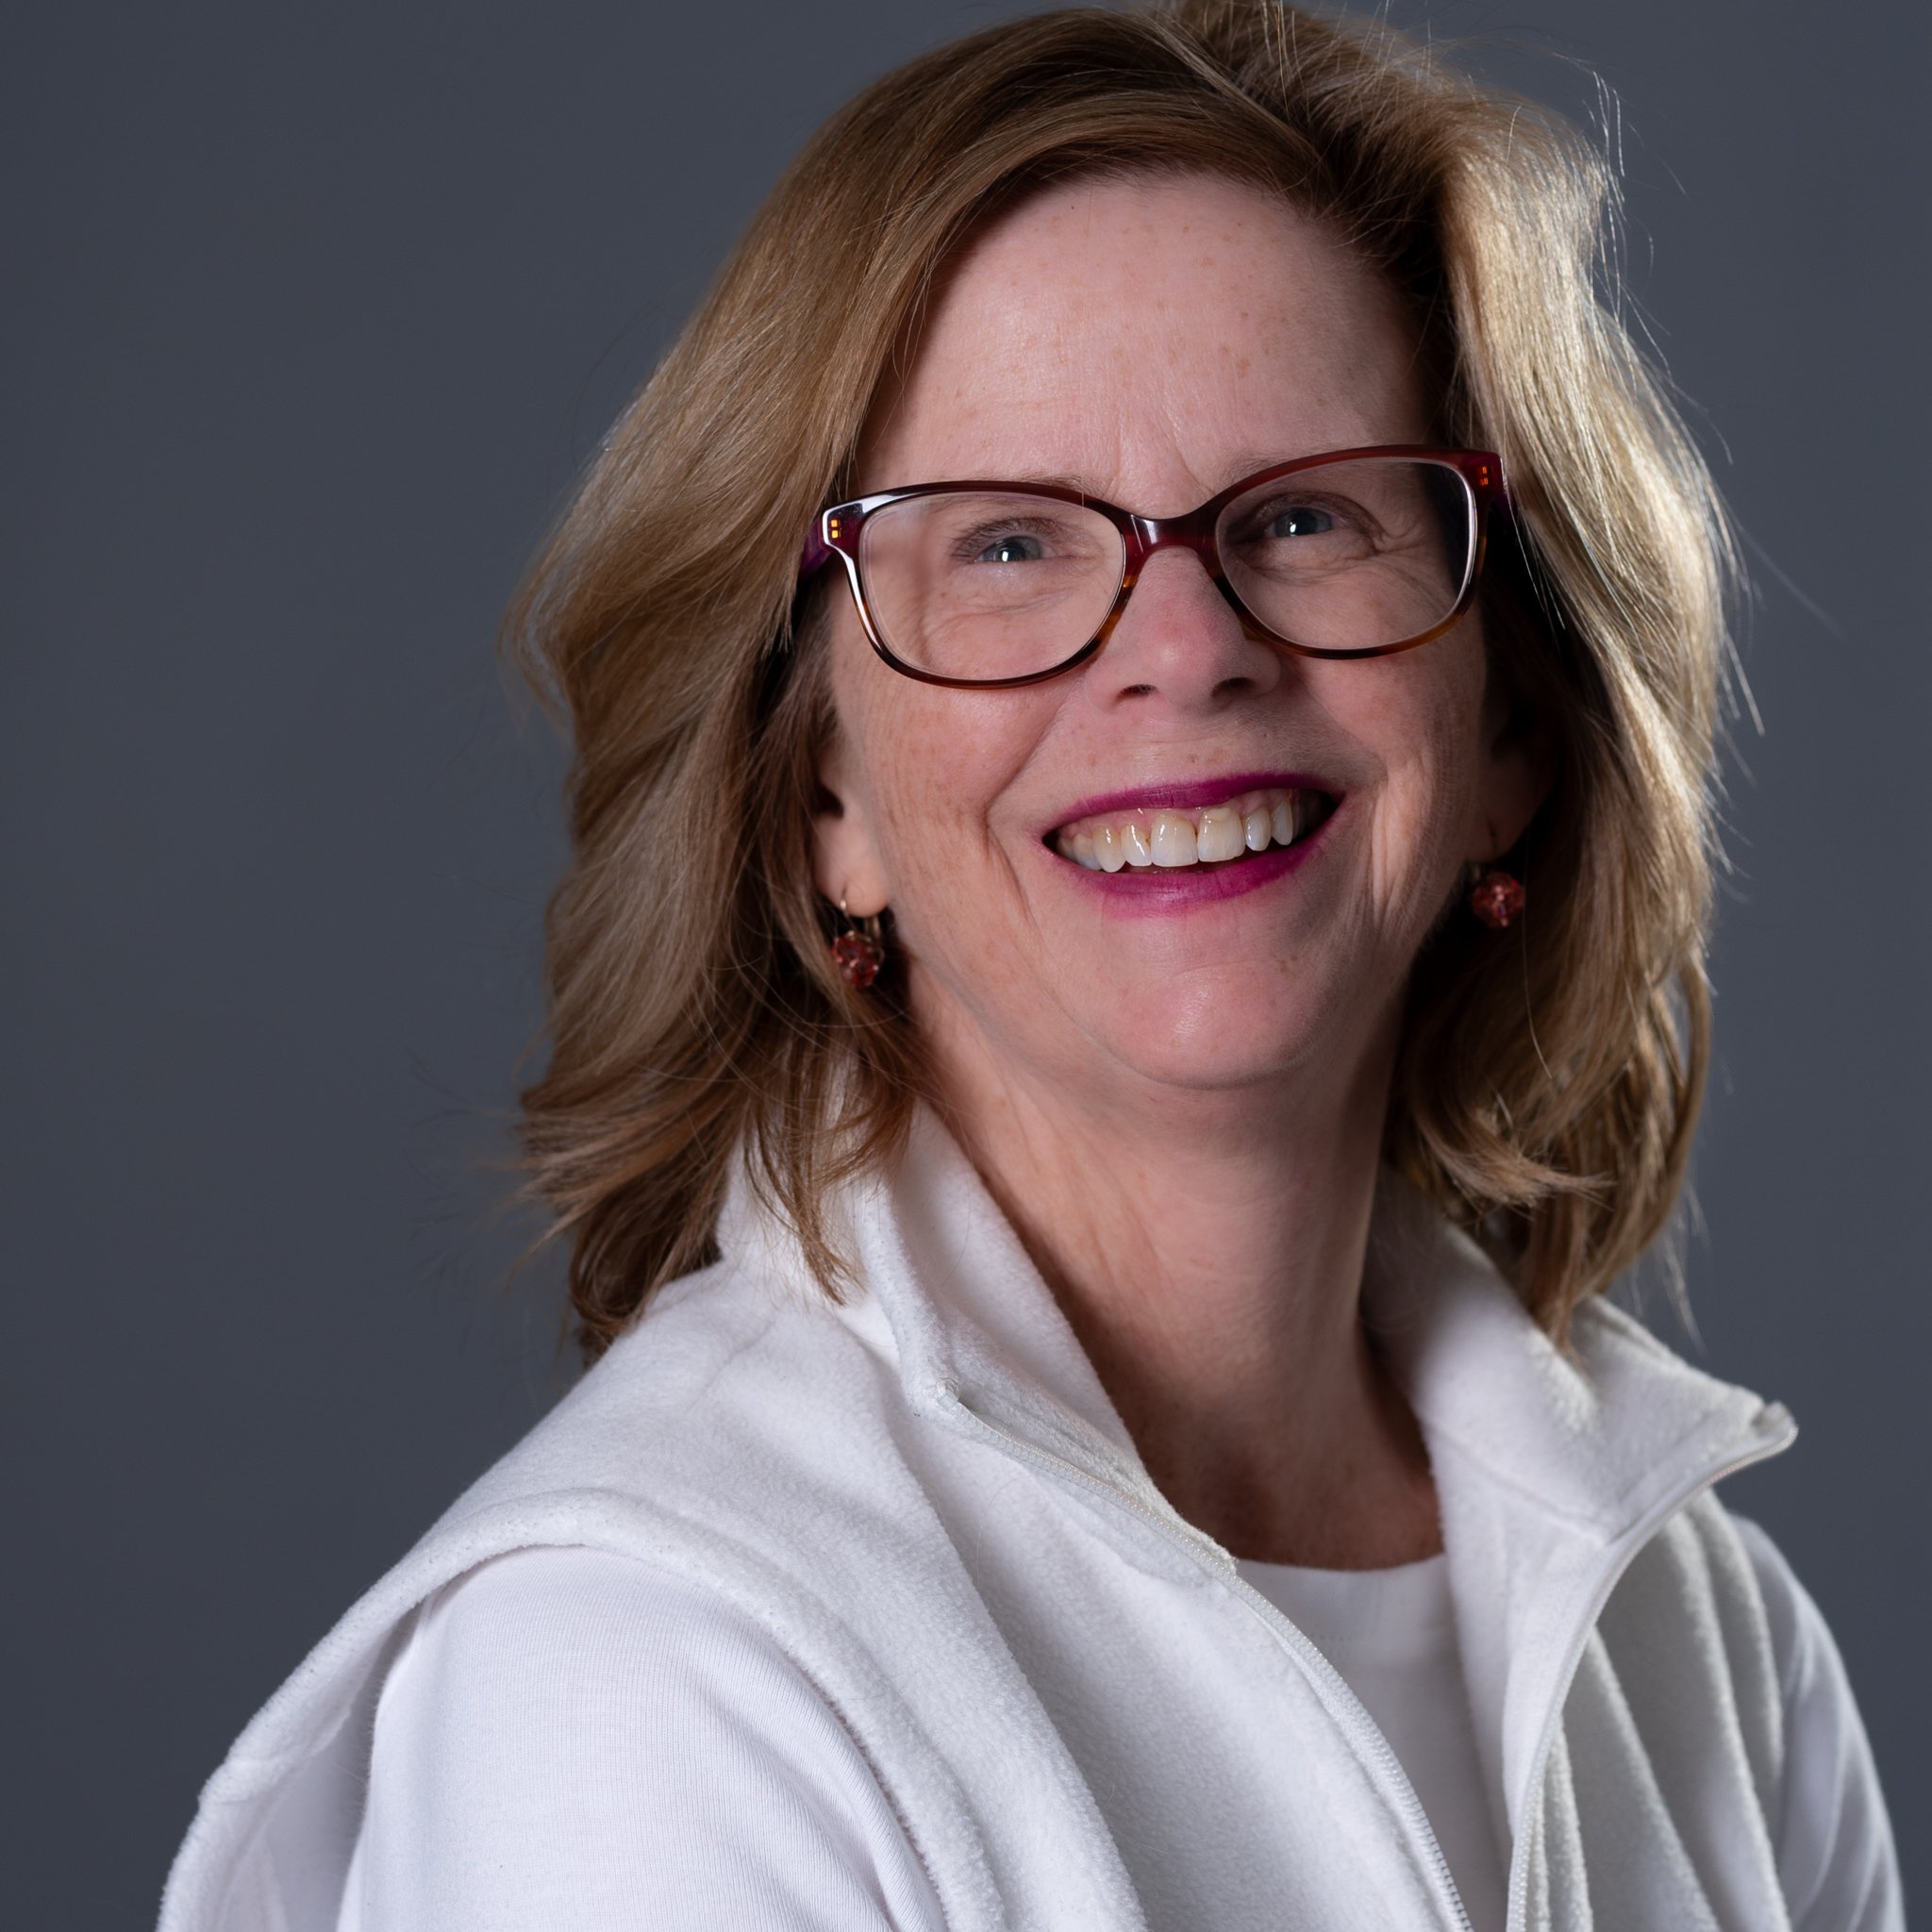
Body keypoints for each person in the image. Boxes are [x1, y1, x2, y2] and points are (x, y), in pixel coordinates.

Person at [158, 4, 1903, 1927]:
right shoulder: (640, 1676)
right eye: (1005, 547)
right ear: (823, 795)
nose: (1183, 647)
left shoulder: (1705, 1641)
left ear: (1508, 734)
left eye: (1305, 514)